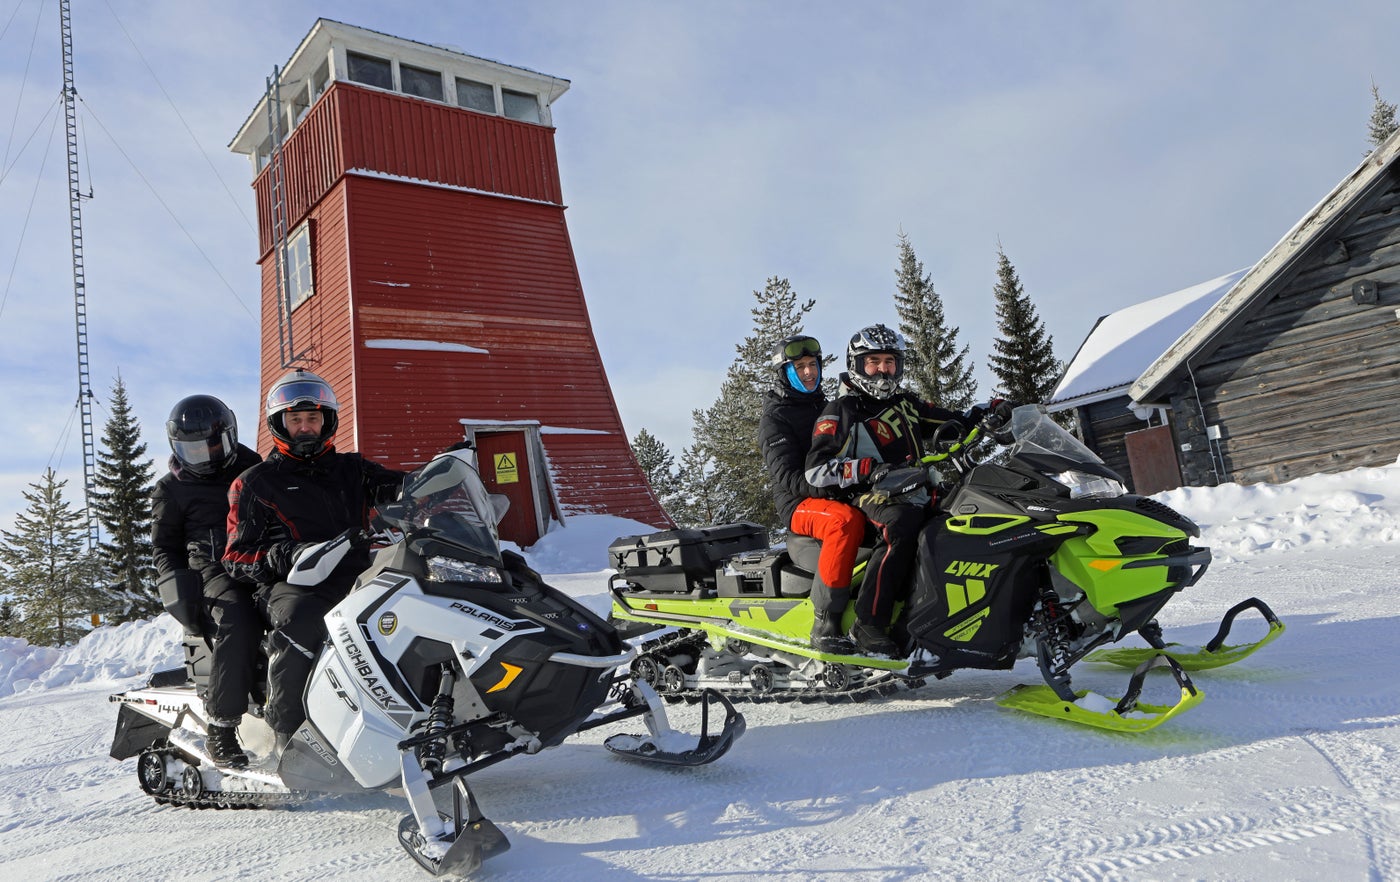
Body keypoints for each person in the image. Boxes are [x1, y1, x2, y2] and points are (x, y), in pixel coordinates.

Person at [223, 369, 406, 746]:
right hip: (292, 584)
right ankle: (287, 733)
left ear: (327, 420)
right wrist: (285, 556)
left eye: (312, 418)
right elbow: (236, 556)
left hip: (358, 572)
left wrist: (437, 477)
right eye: (295, 419)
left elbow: (399, 488)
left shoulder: (352, 469)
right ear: (280, 423)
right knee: (301, 620)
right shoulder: (256, 482)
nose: (305, 427)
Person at [804, 324, 985, 657]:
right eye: (873, 362)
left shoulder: (907, 405)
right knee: (899, 527)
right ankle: (869, 623)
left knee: (963, 519)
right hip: (866, 494)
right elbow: (816, 469)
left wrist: (984, 413)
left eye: (890, 362)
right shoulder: (843, 411)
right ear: (856, 365)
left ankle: (936, 615)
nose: (882, 370)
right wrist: (865, 469)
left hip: (913, 488)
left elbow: (950, 423)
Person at [151, 394, 263, 768]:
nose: (205, 457)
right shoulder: (171, 489)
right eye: (192, 451)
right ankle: (221, 727)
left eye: (211, 447)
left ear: (229, 437)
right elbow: (164, 546)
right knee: (238, 616)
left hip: (262, 558)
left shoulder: (253, 466)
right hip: (212, 568)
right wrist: (175, 585)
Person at [758, 334, 866, 653]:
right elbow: (787, 476)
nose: (809, 373)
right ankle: (825, 623)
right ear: (785, 373)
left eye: (812, 365)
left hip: (835, 492)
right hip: (800, 504)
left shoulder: (824, 406)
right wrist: (831, 485)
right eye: (800, 367)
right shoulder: (775, 418)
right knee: (843, 523)